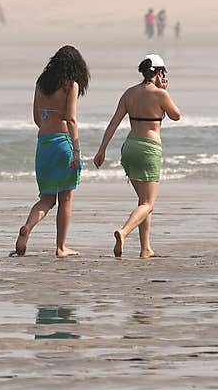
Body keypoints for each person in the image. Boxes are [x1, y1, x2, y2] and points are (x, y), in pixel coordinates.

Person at [93, 53, 181, 258]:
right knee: (148, 203)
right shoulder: (160, 94)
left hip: (130, 146)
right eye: (163, 73)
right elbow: (176, 115)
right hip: (149, 148)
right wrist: (164, 92)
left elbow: (114, 122)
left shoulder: (129, 93)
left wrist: (102, 150)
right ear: (158, 73)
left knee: (143, 201)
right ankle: (124, 232)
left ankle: (145, 248)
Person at [12, 45, 90, 258]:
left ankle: (28, 226)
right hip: (63, 143)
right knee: (65, 198)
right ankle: (61, 247)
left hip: (44, 144)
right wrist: (76, 149)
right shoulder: (70, 86)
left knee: (46, 199)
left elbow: (37, 118)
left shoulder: (41, 84)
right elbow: (72, 119)